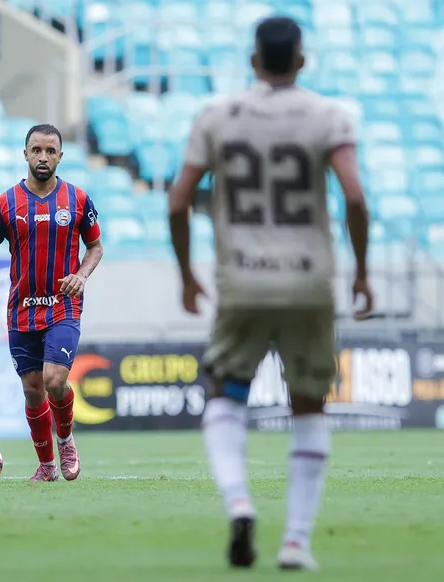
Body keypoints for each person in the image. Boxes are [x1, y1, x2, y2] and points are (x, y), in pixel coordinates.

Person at [168, 16, 373, 572]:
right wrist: (361, 273)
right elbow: (354, 197)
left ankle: (239, 503)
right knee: (308, 404)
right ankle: (296, 542)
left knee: (226, 393)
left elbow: (178, 200)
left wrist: (187, 274)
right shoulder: (328, 115)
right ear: (301, 61)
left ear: (253, 61)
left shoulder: (217, 116)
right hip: (309, 282)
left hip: (243, 281)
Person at [0, 124, 103, 482]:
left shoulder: (78, 200)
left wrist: (81, 276)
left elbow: (95, 246)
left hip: (62, 305)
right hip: (22, 307)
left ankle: (66, 440)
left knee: (55, 380)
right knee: (33, 389)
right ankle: (47, 466)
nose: (43, 157)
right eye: (36, 150)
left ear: (60, 157)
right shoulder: (7, 202)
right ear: (25, 154)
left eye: (50, 151)